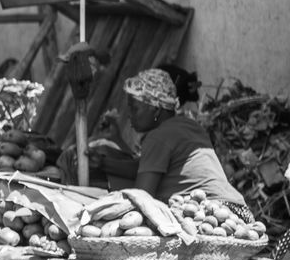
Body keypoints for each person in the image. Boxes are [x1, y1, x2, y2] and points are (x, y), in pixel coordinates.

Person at [89, 68, 248, 209]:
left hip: (212, 213)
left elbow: (142, 200)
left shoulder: (158, 137)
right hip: (236, 209)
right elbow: (143, 167)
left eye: (134, 108)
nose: (129, 114)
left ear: (156, 109)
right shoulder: (190, 126)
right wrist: (104, 162)